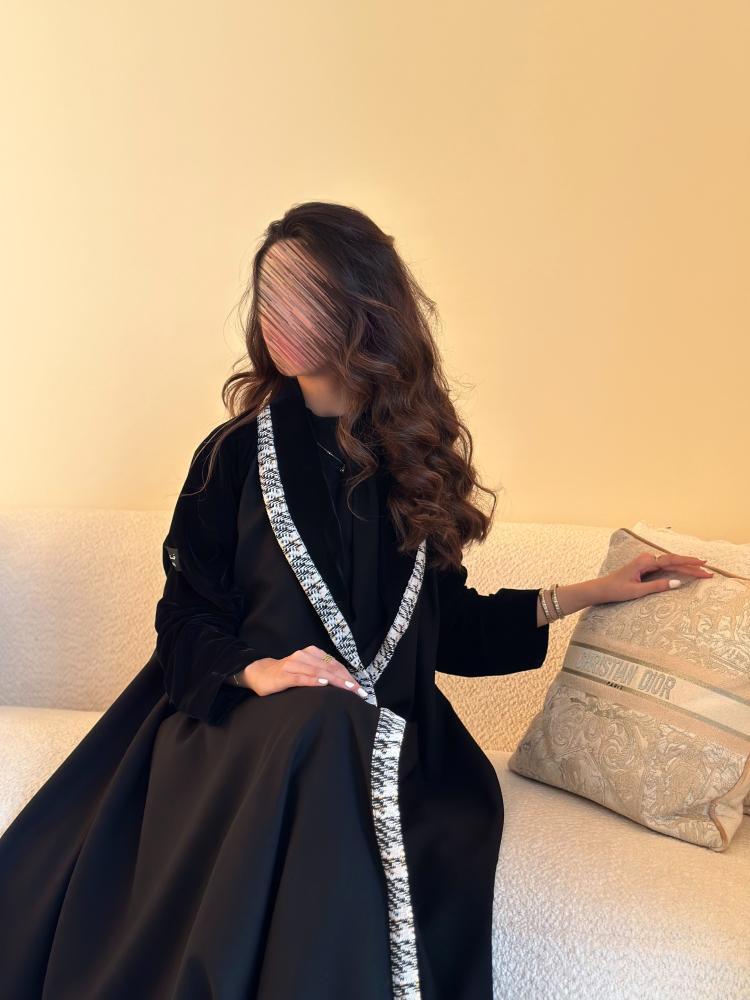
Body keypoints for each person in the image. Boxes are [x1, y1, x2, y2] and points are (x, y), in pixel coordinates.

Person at [0, 201, 711, 1000]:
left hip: (374, 737)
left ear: (363, 306)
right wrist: (257, 671)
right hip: (242, 725)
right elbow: (185, 616)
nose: (278, 317)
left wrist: (589, 592)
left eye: (303, 294)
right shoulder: (234, 456)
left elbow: (448, 631)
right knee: (325, 721)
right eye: (268, 296)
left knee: (346, 727)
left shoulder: (414, 461)